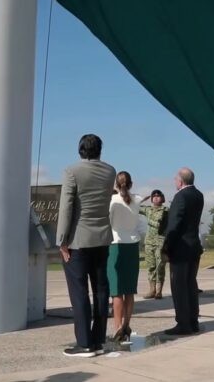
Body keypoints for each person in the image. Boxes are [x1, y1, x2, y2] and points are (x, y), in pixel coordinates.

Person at [56, 134, 116, 357]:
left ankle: (84, 343)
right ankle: (99, 339)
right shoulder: (110, 171)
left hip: (78, 240)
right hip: (102, 238)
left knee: (79, 292)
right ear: (100, 149)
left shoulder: (72, 171)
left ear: (80, 149)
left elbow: (66, 208)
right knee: (101, 289)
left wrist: (62, 240)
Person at [162, 167, 205, 335]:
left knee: (179, 287)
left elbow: (174, 224)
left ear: (180, 181)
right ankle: (193, 321)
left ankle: (183, 323)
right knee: (190, 285)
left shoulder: (180, 196)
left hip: (181, 248)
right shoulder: (198, 195)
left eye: (175, 179)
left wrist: (166, 246)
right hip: (194, 246)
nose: (174, 181)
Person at [108, 171, 143, 343]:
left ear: (116, 183)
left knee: (116, 291)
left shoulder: (113, 201)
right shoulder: (137, 199)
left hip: (116, 244)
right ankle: (127, 324)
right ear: (131, 183)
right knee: (129, 290)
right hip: (132, 245)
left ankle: (117, 327)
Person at [139, 189, 169, 299]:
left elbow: (159, 223)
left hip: (160, 242)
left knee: (160, 267)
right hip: (149, 243)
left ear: (162, 198)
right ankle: (152, 290)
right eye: (154, 196)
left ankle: (159, 291)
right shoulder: (148, 209)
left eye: (158, 196)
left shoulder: (166, 210)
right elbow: (134, 207)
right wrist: (141, 200)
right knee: (151, 267)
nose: (156, 197)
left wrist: (150, 221)